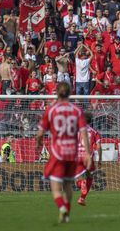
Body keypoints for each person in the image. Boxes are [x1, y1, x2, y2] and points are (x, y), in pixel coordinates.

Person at [35, 82, 91, 223]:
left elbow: (40, 133)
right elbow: (84, 133)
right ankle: (67, 213)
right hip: (72, 152)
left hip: (57, 152)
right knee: (67, 185)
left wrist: (38, 142)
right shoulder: (77, 110)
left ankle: (62, 208)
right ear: (70, 92)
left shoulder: (52, 110)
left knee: (55, 186)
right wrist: (88, 153)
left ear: (57, 92)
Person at [75, 113, 102, 206]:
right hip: (88, 157)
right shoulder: (94, 132)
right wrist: (100, 160)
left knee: (78, 179)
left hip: (76, 156)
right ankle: (82, 198)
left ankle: (81, 183)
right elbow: (98, 147)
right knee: (90, 177)